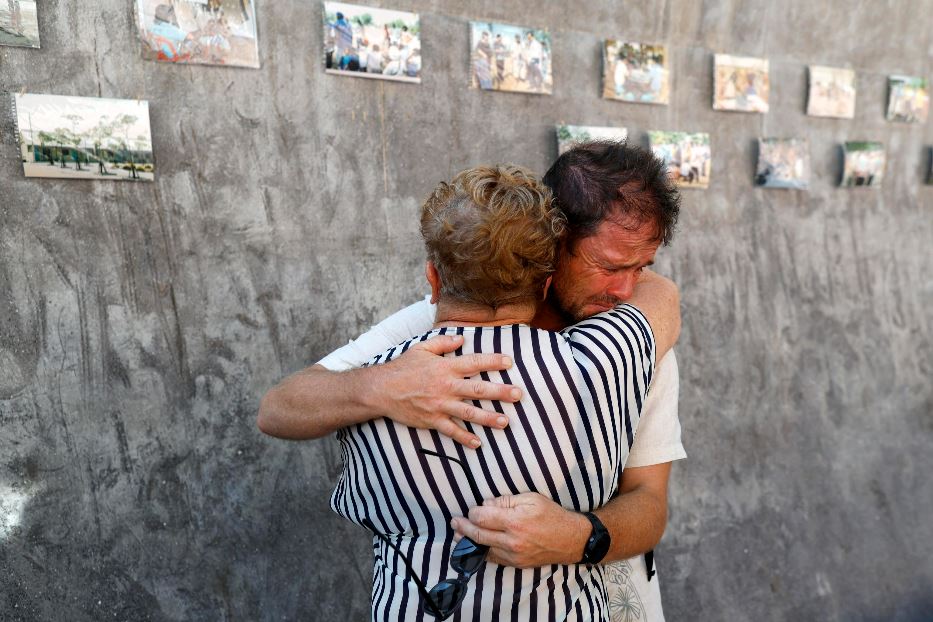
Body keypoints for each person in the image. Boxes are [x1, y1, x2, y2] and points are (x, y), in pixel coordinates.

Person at [259, 142, 685, 621]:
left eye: (641, 268)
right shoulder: (427, 332)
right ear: (552, 246)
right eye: (608, 266)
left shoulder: (636, 345)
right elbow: (279, 408)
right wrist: (382, 386)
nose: (625, 290)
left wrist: (576, 536)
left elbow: (649, 502)